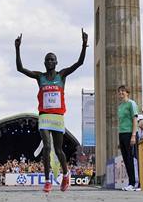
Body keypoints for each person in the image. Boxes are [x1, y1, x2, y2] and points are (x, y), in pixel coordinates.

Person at [15, 29, 88, 192]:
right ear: (44, 63)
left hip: (58, 116)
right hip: (44, 116)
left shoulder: (62, 75)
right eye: (47, 59)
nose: (49, 62)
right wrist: (17, 48)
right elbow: (20, 68)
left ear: (56, 62)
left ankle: (66, 173)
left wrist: (84, 45)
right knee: (46, 147)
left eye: (52, 59)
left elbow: (79, 63)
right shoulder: (39, 76)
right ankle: (47, 180)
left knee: (58, 149)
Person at [117, 85, 139, 191]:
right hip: (122, 133)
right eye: (119, 91)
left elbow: (135, 119)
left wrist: (133, 135)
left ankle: (134, 182)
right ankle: (130, 182)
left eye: (123, 91)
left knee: (131, 158)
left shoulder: (131, 103)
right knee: (126, 159)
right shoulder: (120, 106)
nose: (121, 93)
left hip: (130, 133)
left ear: (127, 92)